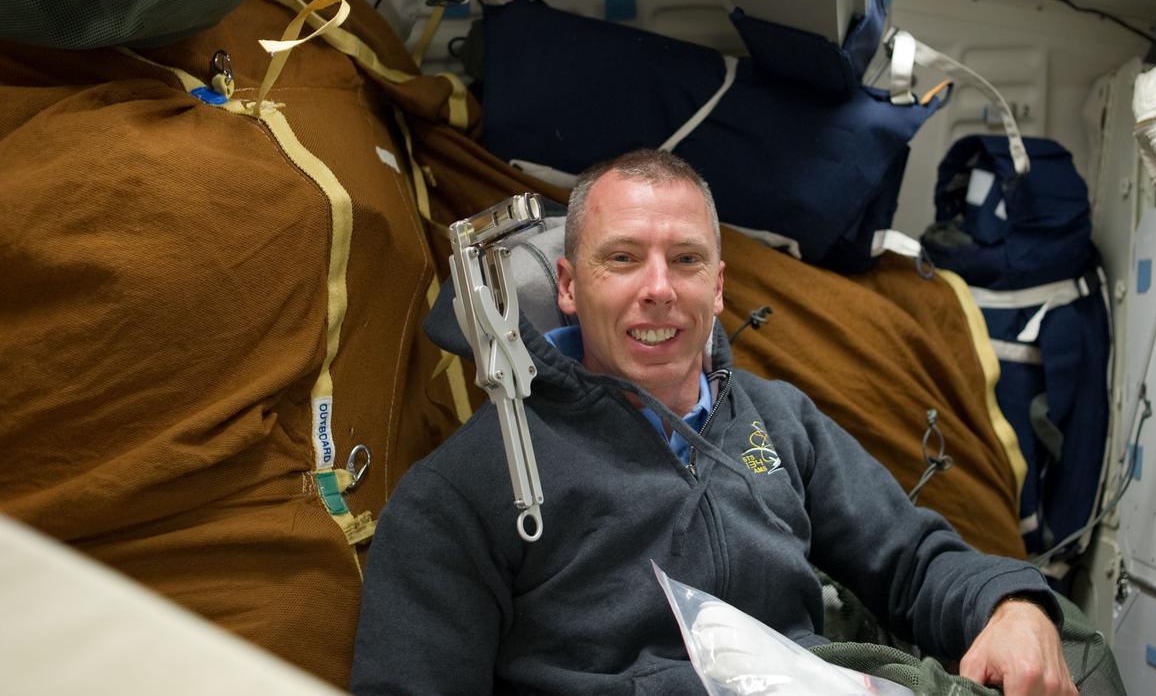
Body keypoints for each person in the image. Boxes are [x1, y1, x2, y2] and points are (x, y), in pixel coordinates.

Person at [351, 149, 1077, 696]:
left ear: (719, 285)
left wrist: (1010, 603)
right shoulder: (463, 491)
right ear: (569, 285)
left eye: (686, 260)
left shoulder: (780, 420)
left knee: (1068, 637)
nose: (659, 290)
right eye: (624, 259)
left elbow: (913, 560)